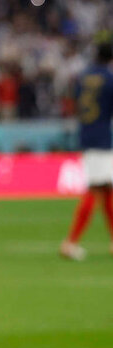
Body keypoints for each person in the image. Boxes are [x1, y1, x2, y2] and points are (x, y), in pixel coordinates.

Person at [59, 37, 113, 261]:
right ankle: (70, 243)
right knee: (97, 189)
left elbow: (70, 102)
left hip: (87, 134)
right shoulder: (109, 79)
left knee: (107, 189)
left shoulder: (82, 77)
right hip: (101, 137)